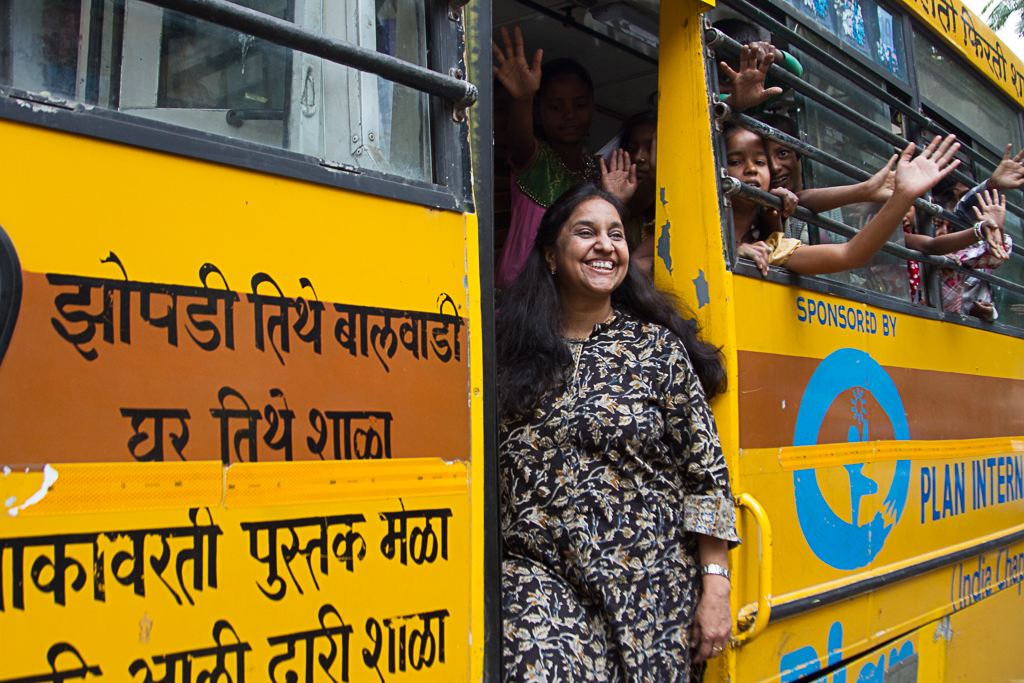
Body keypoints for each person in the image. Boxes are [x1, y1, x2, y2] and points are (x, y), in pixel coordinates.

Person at [498, 183, 738, 682]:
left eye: (617, 234)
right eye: (586, 232)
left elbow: (707, 477)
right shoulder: (506, 352)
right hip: (541, 579)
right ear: (550, 254)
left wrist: (716, 587)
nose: (606, 245)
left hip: (653, 592)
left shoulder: (657, 351)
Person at [492, 27, 637, 288]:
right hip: (523, 295)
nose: (569, 115)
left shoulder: (600, 173)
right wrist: (522, 99)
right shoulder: (532, 159)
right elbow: (519, 135)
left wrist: (615, 200)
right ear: (538, 114)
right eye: (556, 107)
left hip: (574, 298)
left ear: (593, 110)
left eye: (579, 105)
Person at [724, 124, 964, 277]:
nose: (751, 170)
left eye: (760, 162)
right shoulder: (699, 215)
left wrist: (902, 197)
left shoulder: (771, 246)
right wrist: (732, 251)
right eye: (735, 162)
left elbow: (851, 254)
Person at [929, 190, 1011, 317]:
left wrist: (996, 232)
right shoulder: (911, 250)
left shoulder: (957, 258)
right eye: (937, 225)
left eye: (950, 228)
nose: (944, 232)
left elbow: (991, 257)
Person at [714, 20, 802, 115]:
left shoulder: (750, 100)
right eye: (724, 78)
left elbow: (794, 71)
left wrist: (771, 53)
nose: (737, 87)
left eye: (746, 80)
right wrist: (730, 101)